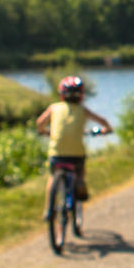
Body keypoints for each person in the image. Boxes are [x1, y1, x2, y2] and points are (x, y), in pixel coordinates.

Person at [36, 76, 112, 219]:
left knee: (52, 176)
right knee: (80, 170)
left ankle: (48, 209)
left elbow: (39, 123)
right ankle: (80, 185)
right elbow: (104, 122)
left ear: (61, 94)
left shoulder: (54, 108)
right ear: (81, 95)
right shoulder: (82, 110)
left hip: (56, 153)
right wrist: (105, 130)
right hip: (76, 154)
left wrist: (44, 132)